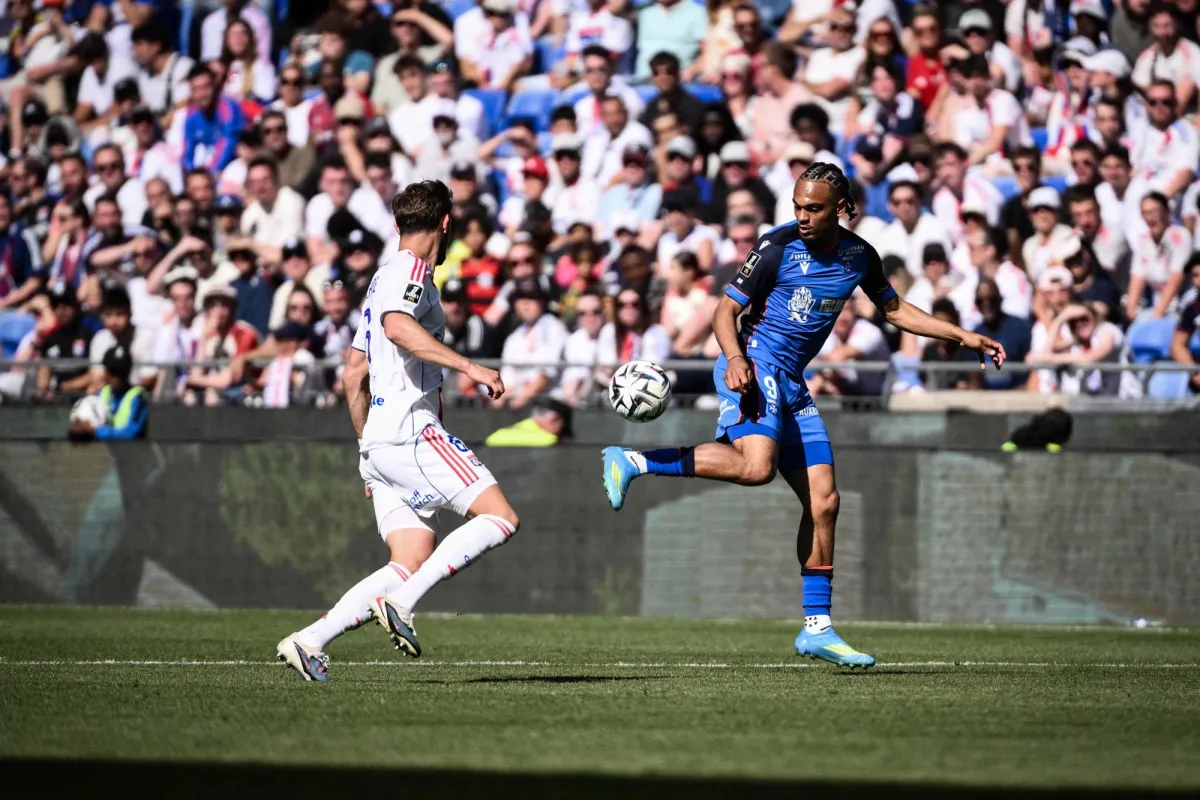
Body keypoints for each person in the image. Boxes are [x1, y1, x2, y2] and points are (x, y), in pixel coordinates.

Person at [600, 164, 1005, 668]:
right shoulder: (776, 246)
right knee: (754, 466)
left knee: (825, 500)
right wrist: (734, 359)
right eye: (797, 206)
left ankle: (817, 628)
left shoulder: (860, 256)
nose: (802, 216)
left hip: (792, 382)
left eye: (813, 208)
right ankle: (633, 459)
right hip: (755, 365)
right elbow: (724, 312)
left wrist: (962, 336)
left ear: (841, 208)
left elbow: (896, 310)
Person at [278, 181, 519, 681]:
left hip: (379, 440)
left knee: (409, 557)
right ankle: (403, 605)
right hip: (411, 428)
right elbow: (398, 327)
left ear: (397, 224)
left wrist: (367, 452)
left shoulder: (380, 281)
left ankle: (310, 640)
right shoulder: (411, 271)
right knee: (500, 518)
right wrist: (471, 368)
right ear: (446, 224)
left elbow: (352, 373)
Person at [68, 346, 149, 442]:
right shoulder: (103, 393)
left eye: (121, 372)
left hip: (132, 453)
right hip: (105, 453)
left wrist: (96, 431)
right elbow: (89, 415)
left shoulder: (137, 396)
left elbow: (132, 432)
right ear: (105, 372)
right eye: (113, 371)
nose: (117, 377)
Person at [485, 395, 574, 447]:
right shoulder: (549, 442)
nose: (560, 433)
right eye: (562, 426)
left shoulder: (498, 434)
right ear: (553, 419)